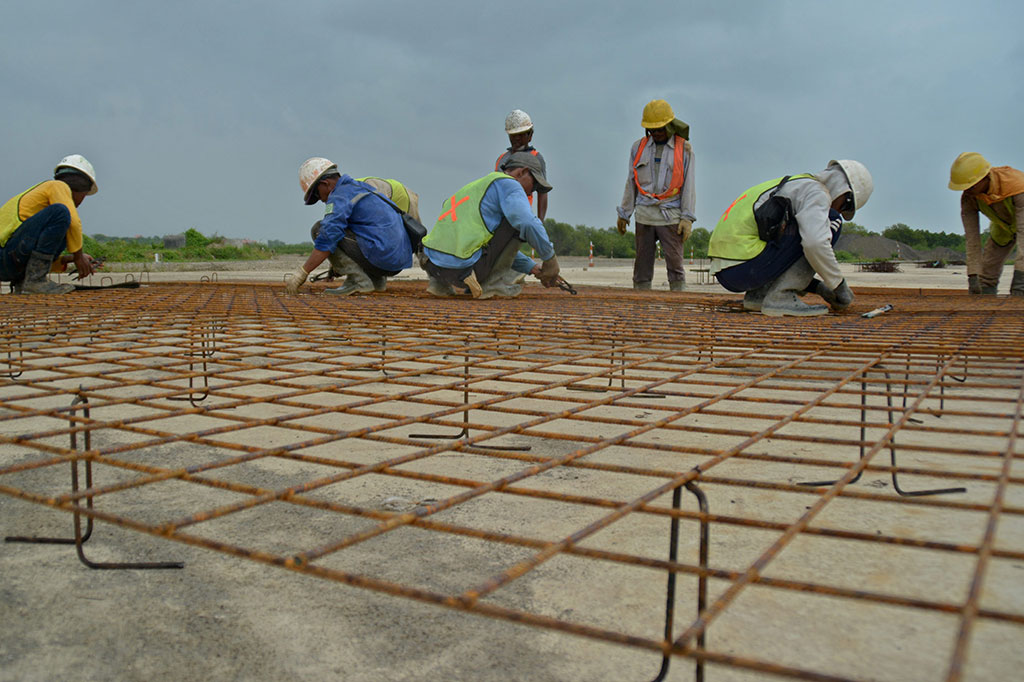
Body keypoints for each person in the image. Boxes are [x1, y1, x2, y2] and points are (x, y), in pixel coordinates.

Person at [708, 159, 873, 317]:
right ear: (844, 191)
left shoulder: (794, 184)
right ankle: (781, 296)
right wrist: (838, 285)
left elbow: (784, 257)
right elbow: (814, 244)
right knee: (831, 221)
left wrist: (820, 288)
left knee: (803, 225)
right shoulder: (816, 192)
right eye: (846, 206)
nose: (840, 210)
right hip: (746, 265)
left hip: (730, 272)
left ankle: (759, 295)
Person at [421, 151, 559, 299]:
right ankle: (493, 286)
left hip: (432, 265)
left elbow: (487, 246)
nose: (530, 192)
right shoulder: (510, 184)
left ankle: (439, 286)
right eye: (533, 186)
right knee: (516, 222)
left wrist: (532, 268)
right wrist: (550, 259)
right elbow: (527, 223)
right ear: (522, 172)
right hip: (463, 270)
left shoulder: (474, 189)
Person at [286, 157, 413, 296]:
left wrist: (303, 272)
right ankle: (376, 281)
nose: (321, 200)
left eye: (317, 194)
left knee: (319, 230)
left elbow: (328, 236)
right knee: (352, 230)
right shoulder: (361, 187)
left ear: (325, 183)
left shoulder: (340, 196)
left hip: (383, 257)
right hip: (397, 260)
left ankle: (359, 281)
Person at [616, 99, 696, 292]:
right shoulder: (638, 148)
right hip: (645, 214)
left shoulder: (684, 149)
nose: (657, 133)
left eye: (660, 129)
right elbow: (631, 181)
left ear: (669, 125)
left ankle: (678, 304)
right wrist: (624, 212)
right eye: (652, 130)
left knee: (675, 266)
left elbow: (689, 185)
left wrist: (687, 218)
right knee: (642, 265)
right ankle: (641, 305)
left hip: (671, 215)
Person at [0, 154, 100, 295]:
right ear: (82, 188)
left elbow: (34, 256)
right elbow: (75, 223)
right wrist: (79, 256)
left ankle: (28, 282)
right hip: (4, 256)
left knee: (65, 227)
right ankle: (35, 282)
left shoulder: (43, 210)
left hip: (8, 263)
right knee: (61, 213)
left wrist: (68, 259)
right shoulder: (57, 186)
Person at [948, 152, 1024, 296]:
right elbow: (972, 240)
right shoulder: (969, 198)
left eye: (970, 186)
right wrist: (973, 275)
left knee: (1021, 285)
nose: (967, 191)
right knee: (986, 274)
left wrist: (1021, 281)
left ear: (984, 178)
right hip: (1003, 228)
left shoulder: (1018, 187)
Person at [495, 110, 548, 221]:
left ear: (530, 135)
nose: (517, 138)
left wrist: (540, 221)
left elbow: (542, 192)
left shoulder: (536, 158)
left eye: (521, 134)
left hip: (520, 215)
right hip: (499, 214)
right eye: (513, 135)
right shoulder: (501, 159)